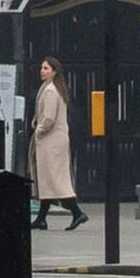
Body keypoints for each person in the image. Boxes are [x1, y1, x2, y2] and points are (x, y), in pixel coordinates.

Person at [31, 57, 83, 229]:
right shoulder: (50, 88)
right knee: (48, 179)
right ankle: (41, 218)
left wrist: (38, 131)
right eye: (41, 67)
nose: (42, 70)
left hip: (51, 142)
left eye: (45, 68)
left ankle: (77, 212)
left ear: (54, 71)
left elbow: (49, 118)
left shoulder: (51, 91)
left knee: (56, 180)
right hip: (53, 142)